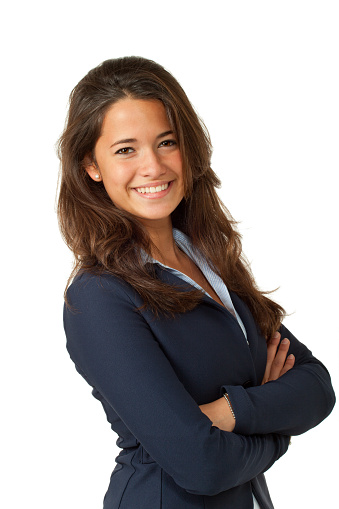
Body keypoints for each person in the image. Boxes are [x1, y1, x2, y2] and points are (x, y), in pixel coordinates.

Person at [57, 56, 335, 509]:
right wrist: (277, 430)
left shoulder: (210, 262)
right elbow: (202, 465)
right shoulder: (99, 297)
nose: (153, 166)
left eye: (167, 143)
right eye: (126, 150)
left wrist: (227, 413)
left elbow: (317, 388)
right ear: (91, 165)